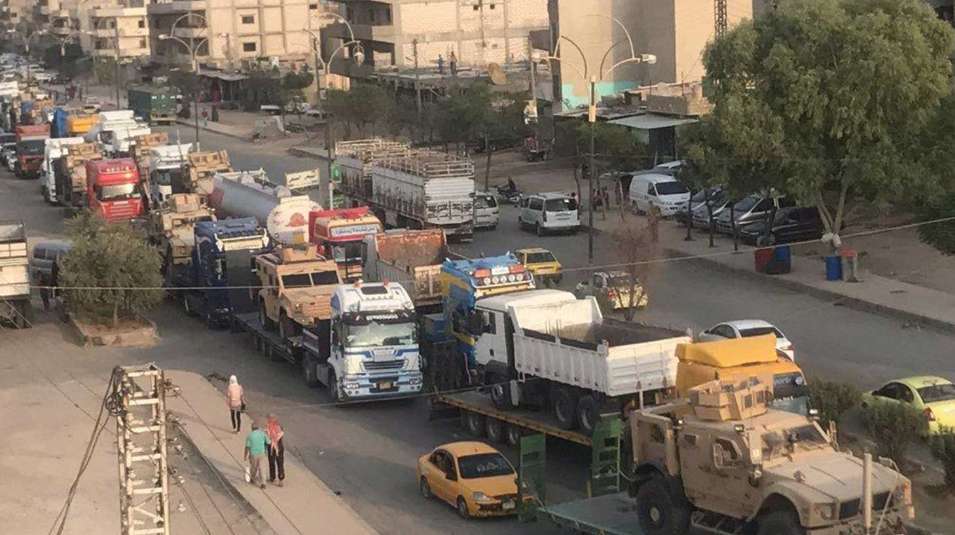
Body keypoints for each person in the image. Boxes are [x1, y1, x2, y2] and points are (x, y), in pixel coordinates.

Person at [244, 421, 270, 490]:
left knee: (254, 467)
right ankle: (263, 483)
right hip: (262, 453)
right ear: (258, 428)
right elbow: (268, 442)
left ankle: (252, 478)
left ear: (252, 428)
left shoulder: (250, 435)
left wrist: (245, 455)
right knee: (262, 468)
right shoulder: (262, 434)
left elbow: (247, 447)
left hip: (253, 454)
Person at [266, 413, 286, 486]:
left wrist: (272, 439)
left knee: (275, 462)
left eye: (269, 419)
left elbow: (268, 439)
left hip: (275, 448)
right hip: (276, 447)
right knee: (276, 462)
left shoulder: (270, 429)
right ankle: (276, 478)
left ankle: (276, 478)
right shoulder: (277, 428)